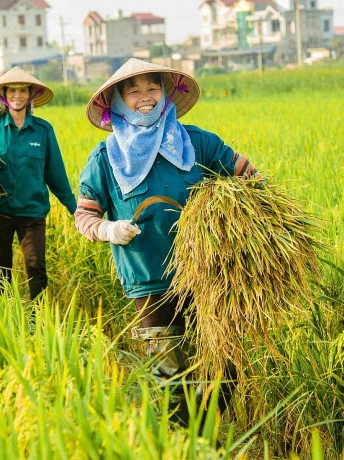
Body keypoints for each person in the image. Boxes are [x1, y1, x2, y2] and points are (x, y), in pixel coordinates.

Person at [74, 58, 258, 425]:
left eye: (152, 88)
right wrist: (109, 229)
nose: (145, 97)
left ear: (165, 93)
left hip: (208, 274)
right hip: (149, 280)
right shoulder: (106, 159)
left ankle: (203, 428)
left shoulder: (196, 142)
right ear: (118, 101)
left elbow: (248, 176)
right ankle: (185, 439)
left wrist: (257, 213)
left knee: (228, 366)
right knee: (168, 378)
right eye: (134, 90)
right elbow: (84, 215)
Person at [0, 67, 76, 301]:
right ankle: (4, 317)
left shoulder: (43, 130)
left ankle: (38, 319)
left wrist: (75, 209)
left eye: (23, 90)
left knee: (36, 267)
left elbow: (56, 174)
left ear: (31, 95)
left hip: (32, 212)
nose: (17, 95)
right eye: (12, 91)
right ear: (3, 95)